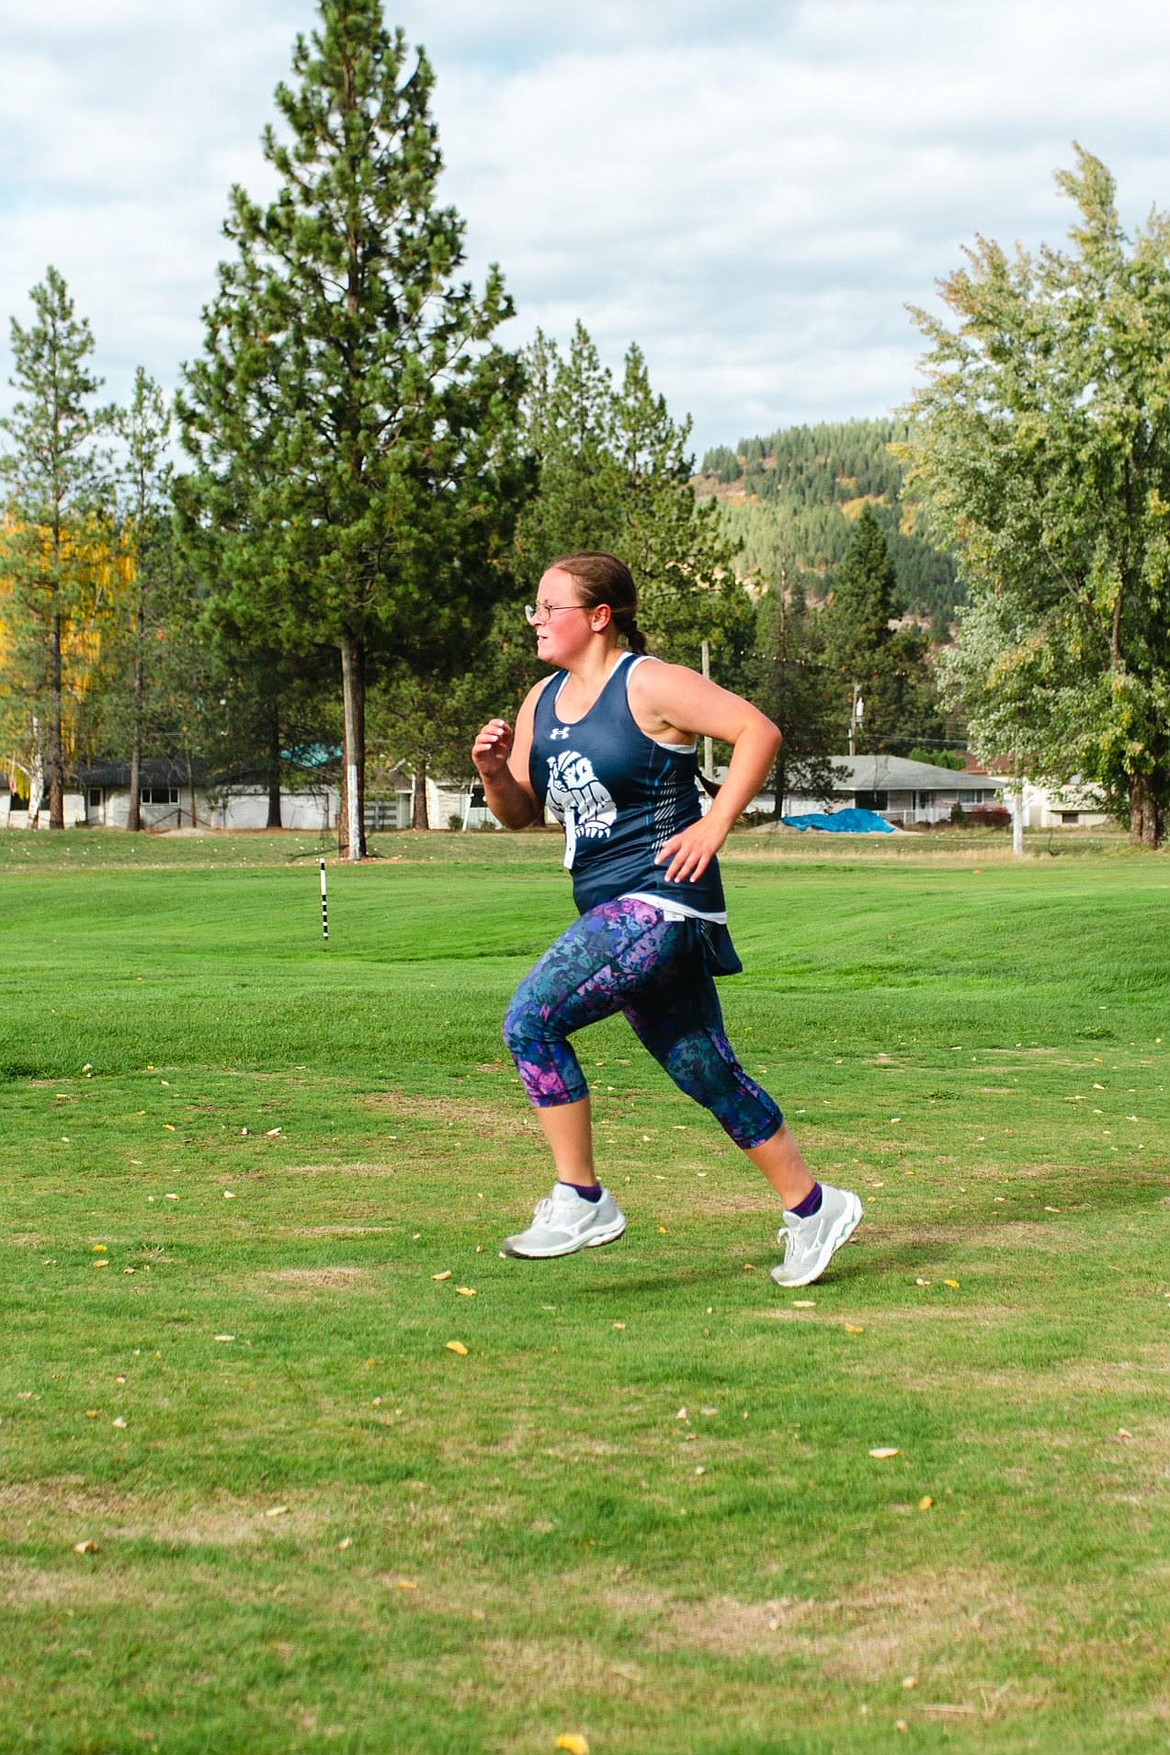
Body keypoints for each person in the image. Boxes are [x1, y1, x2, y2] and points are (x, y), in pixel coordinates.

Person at [471, 551, 861, 1287]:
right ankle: (815, 1207)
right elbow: (521, 812)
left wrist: (715, 824)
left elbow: (758, 731)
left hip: (662, 901)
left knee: (531, 1020)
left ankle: (582, 1197)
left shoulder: (647, 682)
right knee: (708, 1074)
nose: (535, 619)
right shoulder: (539, 702)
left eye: (548, 606)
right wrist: (494, 772)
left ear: (598, 616)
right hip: (611, 911)